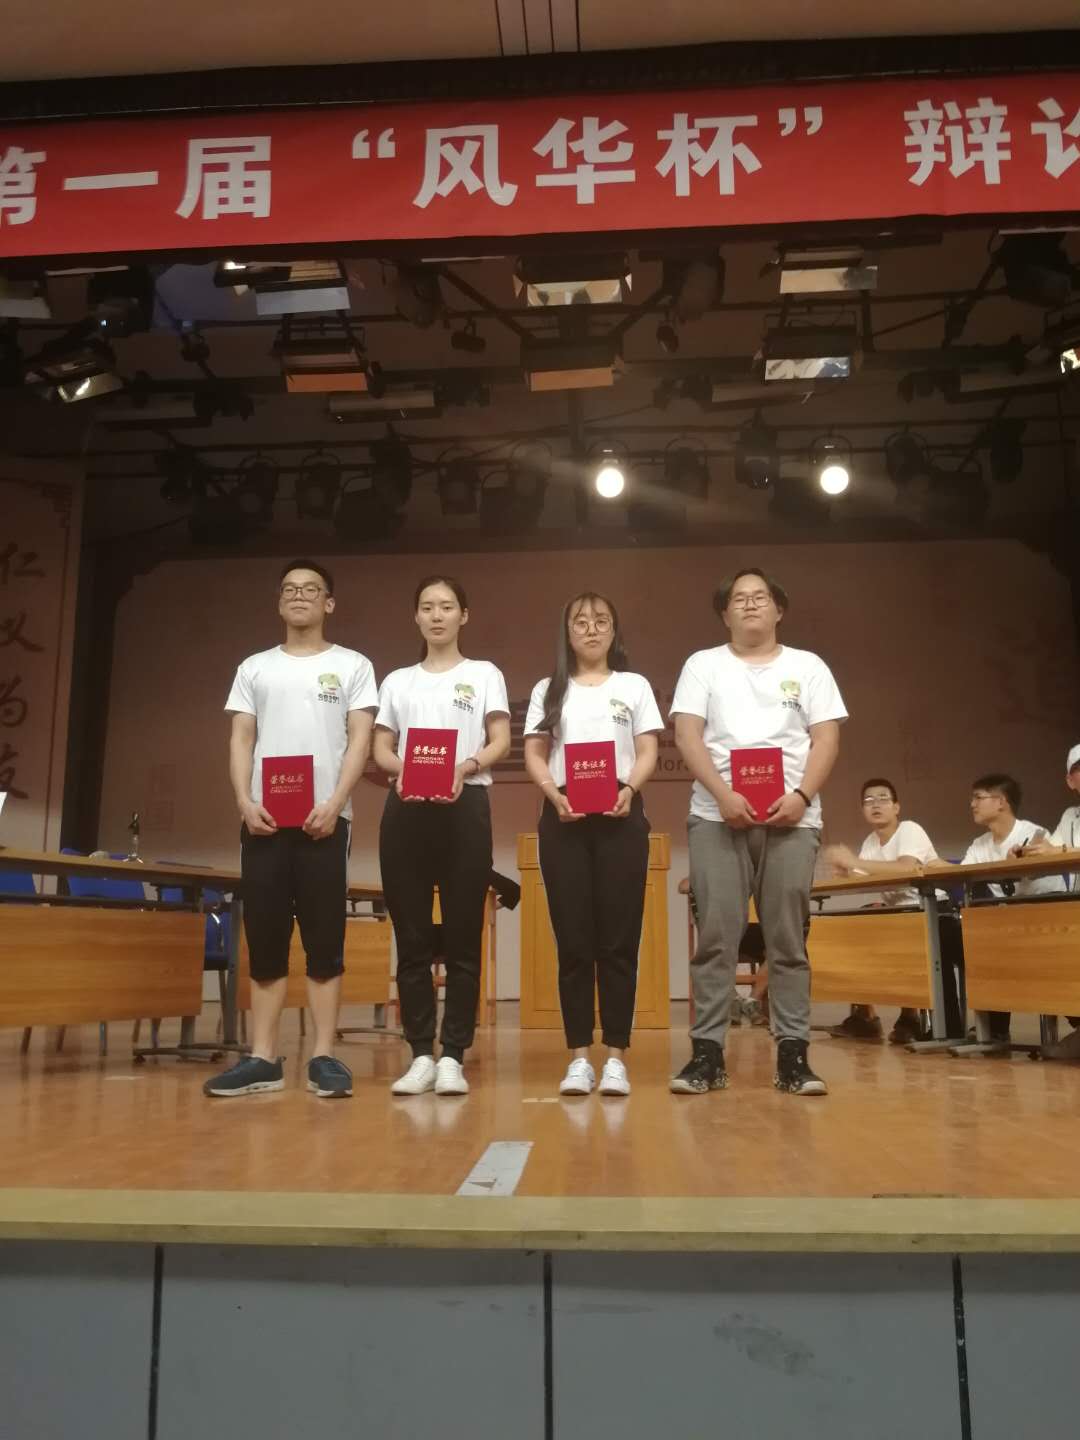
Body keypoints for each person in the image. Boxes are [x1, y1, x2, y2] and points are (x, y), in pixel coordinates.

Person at [670, 567, 846, 1096]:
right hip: (716, 816)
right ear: (725, 614)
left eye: (760, 597)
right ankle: (707, 1055)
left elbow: (826, 739)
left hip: (793, 818)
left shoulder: (808, 667)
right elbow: (687, 735)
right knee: (716, 938)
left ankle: (794, 1056)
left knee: (788, 941)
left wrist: (801, 797)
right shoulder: (703, 665)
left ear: (778, 609)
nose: (750, 604)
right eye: (739, 599)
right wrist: (723, 795)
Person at [206, 559, 377, 1099]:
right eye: (289, 589)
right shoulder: (254, 668)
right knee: (266, 938)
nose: (298, 595)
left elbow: (360, 740)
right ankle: (263, 1058)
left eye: (310, 589)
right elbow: (241, 739)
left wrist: (336, 802)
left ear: (329, 603)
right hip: (263, 823)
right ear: (279, 601)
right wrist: (243, 800)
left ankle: (324, 1056)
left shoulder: (353, 665)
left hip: (324, 823)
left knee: (325, 939)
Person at [374, 576, 510, 1096]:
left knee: (461, 936)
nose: (437, 615)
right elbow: (382, 748)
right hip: (406, 811)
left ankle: (452, 1054)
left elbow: (501, 739)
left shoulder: (484, 674)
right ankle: (419, 1055)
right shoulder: (398, 681)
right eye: (427, 607)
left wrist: (465, 766)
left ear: (463, 616)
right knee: (411, 939)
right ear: (416, 616)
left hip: (465, 805)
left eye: (447, 606)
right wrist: (405, 771)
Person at [523, 591, 662, 1097]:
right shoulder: (548, 689)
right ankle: (579, 1057)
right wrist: (553, 794)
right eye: (580, 621)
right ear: (567, 632)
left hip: (622, 816)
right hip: (564, 818)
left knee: (620, 942)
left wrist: (630, 789)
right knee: (574, 943)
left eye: (601, 620)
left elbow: (647, 749)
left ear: (614, 630)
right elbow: (535, 752)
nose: (591, 629)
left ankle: (617, 1057)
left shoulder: (634, 686)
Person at [824, 777, 941, 1045]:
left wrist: (854, 862)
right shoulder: (871, 842)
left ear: (896, 807)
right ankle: (865, 1016)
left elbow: (907, 868)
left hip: (931, 910)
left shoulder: (909, 829)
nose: (875, 804)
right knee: (849, 933)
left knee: (894, 932)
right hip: (897, 914)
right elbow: (863, 877)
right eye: (869, 800)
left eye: (882, 798)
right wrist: (845, 871)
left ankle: (910, 1017)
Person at [963, 772, 1066, 1043]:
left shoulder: (1032, 834)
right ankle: (995, 1029)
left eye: (978, 797)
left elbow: (1036, 870)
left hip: (1047, 916)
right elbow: (962, 875)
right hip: (1007, 921)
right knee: (976, 937)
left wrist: (1016, 864)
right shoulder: (979, 845)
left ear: (1001, 802)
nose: (972, 804)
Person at [1010, 744, 1080, 1060]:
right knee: (1050, 950)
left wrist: (1059, 851)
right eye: (1079, 770)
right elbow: (1050, 850)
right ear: (1070, 781)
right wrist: (1024, 854)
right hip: (1074, 909)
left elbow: (1059, 851)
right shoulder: (1070, 816)